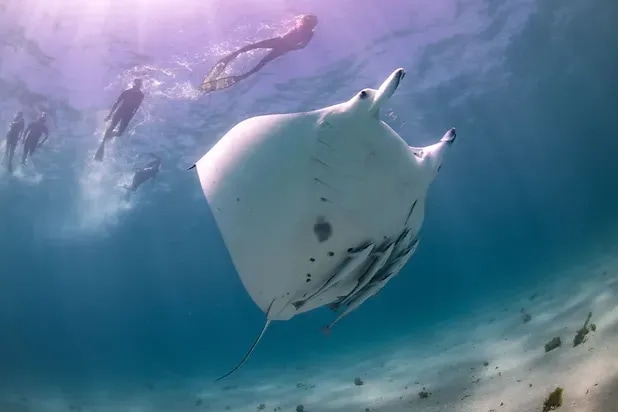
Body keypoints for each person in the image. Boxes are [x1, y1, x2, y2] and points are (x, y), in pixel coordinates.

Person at [199, 14, 318, 93]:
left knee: (259, 60)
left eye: (305, 21)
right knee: (253, 51)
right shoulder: (303, 26)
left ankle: (238, 71)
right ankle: (233, 63)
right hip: (279, 42)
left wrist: (291, 47)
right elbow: (301, 43)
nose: (302, 22)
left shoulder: (308, 32)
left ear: (309, 24)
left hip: (281, 45)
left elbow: (302, 46)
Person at [94, 78, 144, 161]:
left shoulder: (141, 95)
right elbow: (117, 103)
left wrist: (131, 118)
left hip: (128, 116)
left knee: (120, 133)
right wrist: (110, 115)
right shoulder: (126, 92)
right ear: (134, 84)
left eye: (140, 85)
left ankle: (108, 136)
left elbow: (136, 108)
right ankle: (102, 144)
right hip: (120, 112)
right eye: (137, 84)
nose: (138, 86)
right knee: (111, 128)